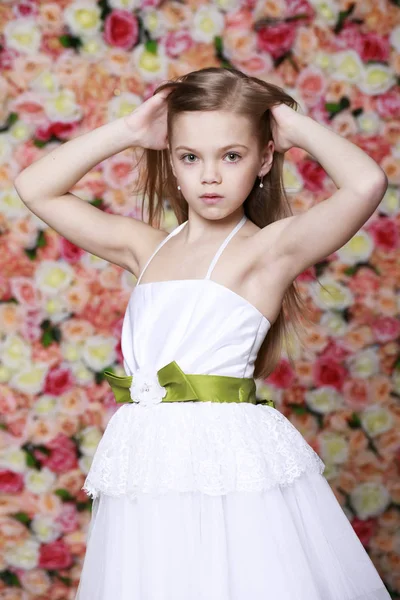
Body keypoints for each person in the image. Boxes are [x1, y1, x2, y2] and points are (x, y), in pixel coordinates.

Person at [14, 67, 391, 600]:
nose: (209, 176)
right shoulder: (146, 248)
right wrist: (128, 130)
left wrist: (290, 125)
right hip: (148, 459)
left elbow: (366, 183)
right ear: (171, 160)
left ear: (263, 160)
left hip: (227, 461)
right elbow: (34, 186)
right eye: (191, 157)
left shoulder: (268, 251)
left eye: (231, 156)